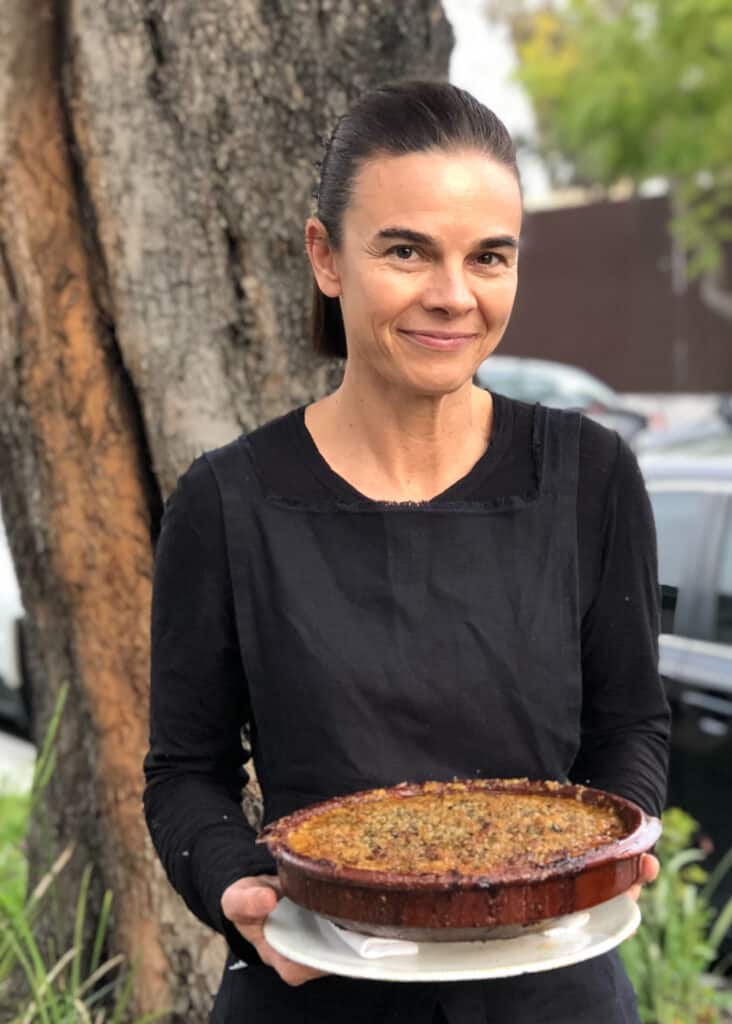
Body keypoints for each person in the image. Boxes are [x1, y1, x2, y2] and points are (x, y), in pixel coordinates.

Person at [143, 80, 670, 1023]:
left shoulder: (591, 474)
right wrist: (237, 893)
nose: (453, 296)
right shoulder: (225, 502)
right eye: (406, 250)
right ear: (326, 257)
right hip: (318, 984)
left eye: (490, 257)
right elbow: (185, 773)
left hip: (552, 989)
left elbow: (631, 726)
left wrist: (612, 851)